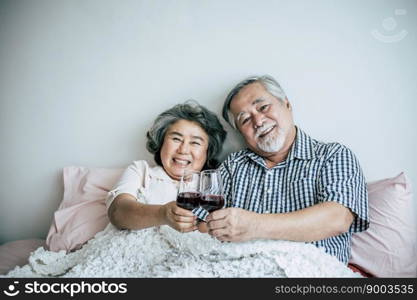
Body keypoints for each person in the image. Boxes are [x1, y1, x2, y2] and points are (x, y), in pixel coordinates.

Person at [200, 75, 369, 264]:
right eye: (245, 119)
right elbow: (200, 222)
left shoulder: (333, 155)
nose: (258, 121)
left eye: (263, 107)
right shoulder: (233, 165)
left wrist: (254, 226)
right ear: (240, 132)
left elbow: (337, 219)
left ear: (287, 104)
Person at [106, 100, 227, 233]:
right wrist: (162, 214)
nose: (183, 150)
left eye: (195, 142)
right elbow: (117, 212)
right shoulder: (141, 171)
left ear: (208, 151)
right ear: (161, 142)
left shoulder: (215, 185)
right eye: (176, 139)